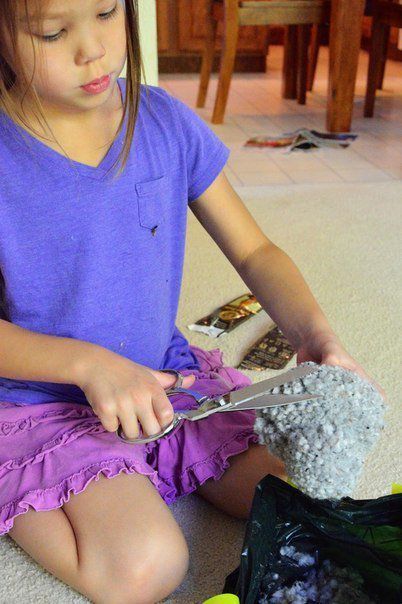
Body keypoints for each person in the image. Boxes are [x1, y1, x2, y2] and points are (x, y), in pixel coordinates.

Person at [0, 1, 386, 602]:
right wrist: (89, 366)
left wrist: (316, 336)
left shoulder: (163, 122)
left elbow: (256, 251)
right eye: (52, 33)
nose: (93, 49)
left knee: (298, 490)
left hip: (169, 384)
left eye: (107, 12)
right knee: (146, 567)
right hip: (42, 402)